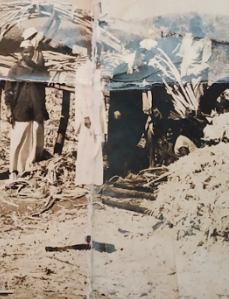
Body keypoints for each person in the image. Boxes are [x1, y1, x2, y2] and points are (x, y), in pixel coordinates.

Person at [106, 38, 171, 179]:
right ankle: (115, 170)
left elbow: (159, 90)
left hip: (138, 113)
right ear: (137, 53)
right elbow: (115, 89)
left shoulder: (150, 71)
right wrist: (116, 109)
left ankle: (127, 169)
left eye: (148, 56)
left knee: (132, 140)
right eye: (143, 55)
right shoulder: (124, 68)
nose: (145, 58)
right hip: (123, 111)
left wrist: (158, 107)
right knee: (119, 140)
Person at [5, 40, 49, 181]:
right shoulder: (15, 69)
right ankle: (13, 169)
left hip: (35, 107)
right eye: (25, 52)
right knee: (18, 139)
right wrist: (8, 108)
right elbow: (9, 90)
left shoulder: (38, 69)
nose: (27, 54)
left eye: (30, 52)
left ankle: (27, 168)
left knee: (34, 138)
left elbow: (46, 80)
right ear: (21, 53)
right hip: (20, 107)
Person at [73, 45, 106, 187]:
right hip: (88, 111)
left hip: (98, 110)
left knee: (97, 143)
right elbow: (80, 95)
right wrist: (85, 115)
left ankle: (95, 179)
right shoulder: (83, 71)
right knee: (86, 144)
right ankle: (84, 178)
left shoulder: (100, 70)